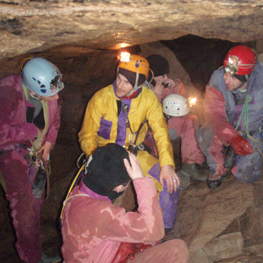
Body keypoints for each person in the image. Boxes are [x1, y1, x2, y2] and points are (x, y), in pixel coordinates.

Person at [78, 53, 180, 232]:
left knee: (169, 183)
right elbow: (87, 134)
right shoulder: (101, 98)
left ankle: (160, 231)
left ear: (139, 83)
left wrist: (166, 164)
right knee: (86, 200)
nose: (120, 84)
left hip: (133, 154)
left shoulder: (148, 99)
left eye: (127, 82)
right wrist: (95, 157)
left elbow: (161, 132)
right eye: (119, 77)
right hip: (104, 155)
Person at [61, 143, 189, 263]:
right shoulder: (101, 213)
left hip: (94, 252)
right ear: (118, 188)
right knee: (177, 249)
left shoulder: (76, 194)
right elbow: (154, 230)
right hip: (107, 259)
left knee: (150, 242)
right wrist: (140, 180)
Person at [0, 57, 64, 263]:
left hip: (36, 153)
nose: (56, 97)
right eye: (51, 94)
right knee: (24, 208)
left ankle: (37, 251)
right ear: (34, 90)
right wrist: (29, 131)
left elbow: (56, 118)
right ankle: (31, 259)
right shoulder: (9, 93)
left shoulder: (51, 87)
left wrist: (49, 142)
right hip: (11, 153)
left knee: (37, 202)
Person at [196, 45, 263, 188]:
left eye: (233, 77)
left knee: (246, 176)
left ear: (246, 76)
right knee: (204, 134)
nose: (227, 79)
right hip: (227, 124)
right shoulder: (218, 78)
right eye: (226, 73)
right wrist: (233, 137)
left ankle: (241, 156)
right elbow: (213, 112)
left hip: (253, 130)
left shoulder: (261, 79)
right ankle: (218, 167)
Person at [144, 54, 209, 183]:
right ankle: (161, 173)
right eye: (162, 76)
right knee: (155, 136)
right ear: (151, 76)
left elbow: (181, 105)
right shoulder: (142, 89)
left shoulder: (167, 85)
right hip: (150, 132)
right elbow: (144, 115)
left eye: (166, 75)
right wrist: (156, 95)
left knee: (190, 120)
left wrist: (176, 88)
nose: (166, 78)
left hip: (170, 125)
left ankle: (189, 166)